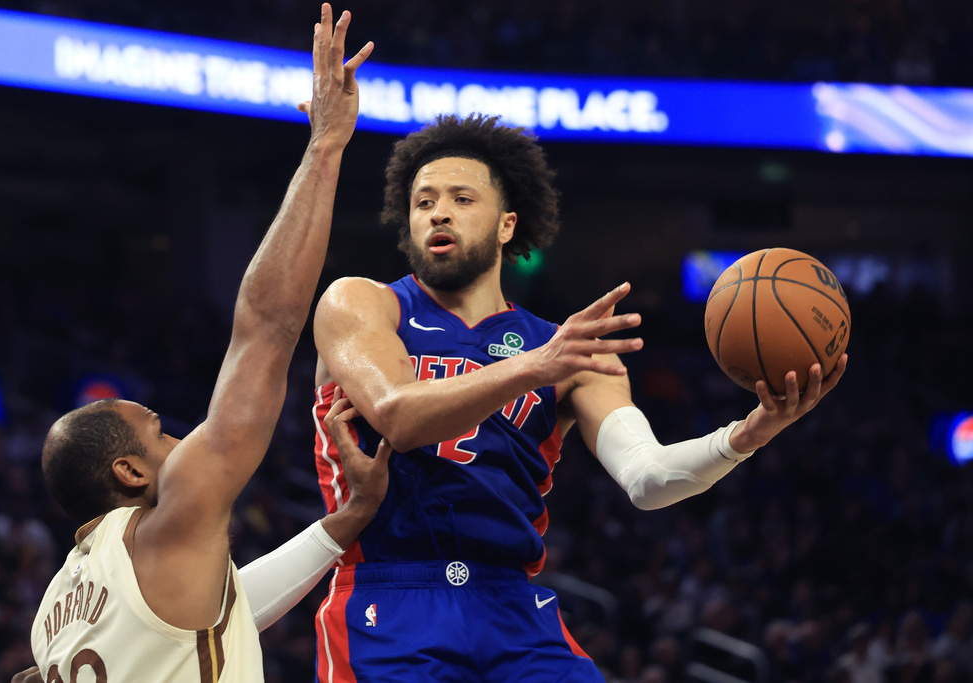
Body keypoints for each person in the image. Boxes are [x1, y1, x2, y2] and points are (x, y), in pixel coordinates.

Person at [310, 113, 847, 682]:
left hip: (512, 607)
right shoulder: (364, 305)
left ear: (506, 225)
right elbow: (398, 416)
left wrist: (744, 437)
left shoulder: (568, 352)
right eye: (423, 202)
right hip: (389, 596)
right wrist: (534, 366)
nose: (438, 212)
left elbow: (649, 478)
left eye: (462, 198)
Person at [24, 6, 384, 681]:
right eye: (159, 434)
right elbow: (268, 326)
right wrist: (326, 146)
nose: (181, 441)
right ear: (130, 473)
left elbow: (230, 607)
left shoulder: (53, 611)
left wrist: (346, 521)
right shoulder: (163, 520)